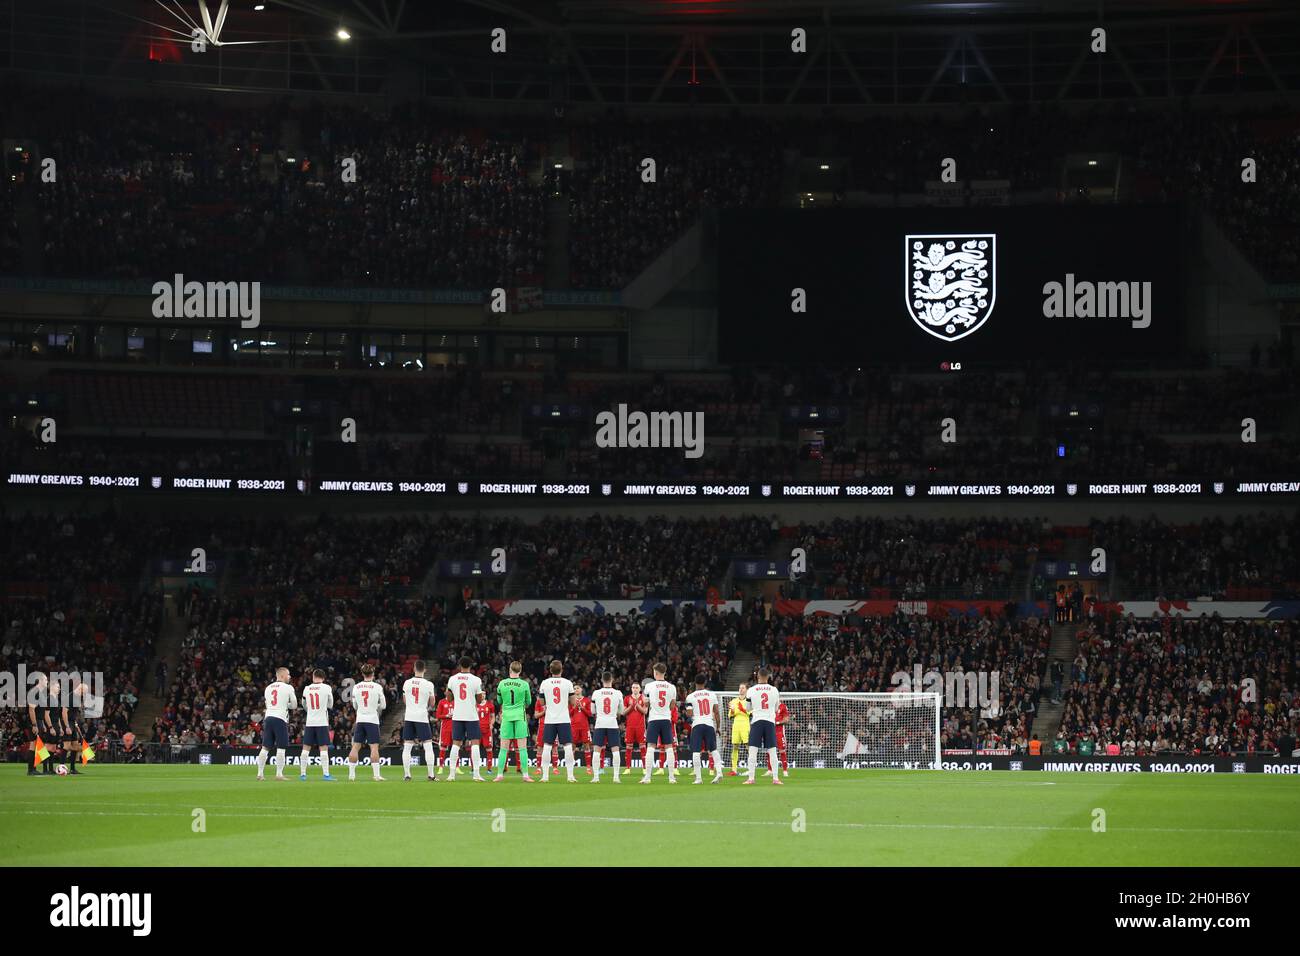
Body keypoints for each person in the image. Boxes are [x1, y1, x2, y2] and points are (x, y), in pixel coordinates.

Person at [445, 657, 486, 782]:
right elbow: (480, 700)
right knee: (474, 743)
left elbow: (449, 698)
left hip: (457, 715)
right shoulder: (476, 680)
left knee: (456, 744)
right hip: (471, 715)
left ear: (459, 665)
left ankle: (451, 775)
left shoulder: (452, 679)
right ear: (471, 666)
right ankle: (476, 775)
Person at [493, 660, 533, 782]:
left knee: (503, 748)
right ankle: (525, 775)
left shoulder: (502, 684)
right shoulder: (524, 684)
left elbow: (499, 701)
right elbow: (529, 702)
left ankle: (499, 775)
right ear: (520, 671)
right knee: (522, 748)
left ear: (510, 669)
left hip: (506, 717)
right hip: (520, 717)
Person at [537, 660, 576, 783]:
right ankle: (570, 776)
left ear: (550, 670)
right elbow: (573, 702)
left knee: (547, 747)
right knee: (568, 747)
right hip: (564, 718)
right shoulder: (568, 683)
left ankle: (545, 777)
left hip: (549, 719)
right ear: (562, 670)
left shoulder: (545, 683)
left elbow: (541, 702)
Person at [347, 663, 386, 782]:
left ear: (362, 674)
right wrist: (376, 705)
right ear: (373, 674)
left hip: (360, 720)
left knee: (356, 746)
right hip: (372, 720)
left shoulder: (357, 687)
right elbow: (383, 706)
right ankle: (376, 775)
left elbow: (355, 705)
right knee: (374, 747)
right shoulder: (377, 687)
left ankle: (352, 775)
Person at [257, 667, 297, 781]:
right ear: (283, 675)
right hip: (280, 718)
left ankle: (260, 773)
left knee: (265, 747)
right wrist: (286, 705)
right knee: (281, 747)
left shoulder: (268, 688)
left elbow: (267, 703)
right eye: (288, 675)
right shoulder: (288, 687)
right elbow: (294, 705)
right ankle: (279, 774)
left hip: (268, 717)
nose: (289, 677)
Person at [640, 664, 678, 784]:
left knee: (651, 746)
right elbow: (672, 706)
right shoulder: (672, 687)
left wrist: (650, 701)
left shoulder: (649, 686)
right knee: (669, 747)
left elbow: (645, 703)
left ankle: (647, 777)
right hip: (666, 719)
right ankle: (671, 778)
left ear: (655, 673)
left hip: (654, 719)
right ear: (665, 673)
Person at [400, 660, 437, 782]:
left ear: (414, 668)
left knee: (407, 746)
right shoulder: (429, 684)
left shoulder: (407, 683)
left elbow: (404, 700)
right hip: (422, 716)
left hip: (409, 716)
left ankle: (407, 775)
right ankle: (431, 775)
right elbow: (432, 703)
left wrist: (411, 705)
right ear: (425, 670)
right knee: (428, 745)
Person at [744, 668, 782, 786]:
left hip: (757, 721)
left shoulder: (751, 690)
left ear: (757, 676)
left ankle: (751, 778)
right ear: (769, 677)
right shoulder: (774, 690)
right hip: (770, 721)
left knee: (753, 750)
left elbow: (748, 708)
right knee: (772, 751)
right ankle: (775, 778)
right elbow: (776, 708)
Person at [684, 675, 724, 785]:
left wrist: (687, 713)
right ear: (705, 682)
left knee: (696, 751)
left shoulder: (690, 696)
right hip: (709, 724)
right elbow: (716, 711)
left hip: (697, 724)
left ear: (695, 683)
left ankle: (698, 778)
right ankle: (719, 772)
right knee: (713, 749)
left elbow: (689, 713)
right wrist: (718, 727)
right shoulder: (712, 694)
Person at [299, 668, 336, 781]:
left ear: (313, 677)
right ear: (323, 678)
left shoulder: (307, 689)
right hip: (322, 722)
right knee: (323, 748)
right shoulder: (326, 688)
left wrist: (310, 710)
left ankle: (303, 774)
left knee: (306, 748)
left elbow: (303, 704)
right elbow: (330, 704)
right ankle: (326, 774)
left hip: (310, 721)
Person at [589, 672, 624, 783]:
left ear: (602, 680)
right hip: (612, 723)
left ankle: (595, 777)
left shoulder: (596, 693)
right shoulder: (618, 693)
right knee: (615, 750)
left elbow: (592, 711)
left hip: (600, 723)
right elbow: (621, 711)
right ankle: (616, 777)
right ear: (612, 680)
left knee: (597, 750)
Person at [624, 681, 647, 772]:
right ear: (631, 689)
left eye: (637, 687)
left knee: (642, 747)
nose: (635, 689)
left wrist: (636, 705)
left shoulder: (644, 698)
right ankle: (628, 768)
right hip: (630, 726)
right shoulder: (627, 698)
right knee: (628, 747)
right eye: (633, 687)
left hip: (641, 726)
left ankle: (645, 768)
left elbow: (645, 711)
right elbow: (624, 712)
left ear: (640, 689)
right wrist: (631, 706)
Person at [728, 681, 750, 776]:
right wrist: (732, 710)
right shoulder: (733, 701)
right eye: (740, 687)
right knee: (735, 746)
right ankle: (734, 769)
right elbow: (730, 715)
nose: (741, 689)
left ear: (747, 690)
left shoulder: (749, 701)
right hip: (736, 725)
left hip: (745, 724)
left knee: (748, 746)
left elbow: (750, 713)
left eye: (743, 688)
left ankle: (750, 769)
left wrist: (741, 709)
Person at [570, 684, 592, 774]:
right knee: (572, 746)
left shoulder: (587, 700)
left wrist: (582, 708)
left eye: (577, 688)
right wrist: (574, 707)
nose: (576, 690)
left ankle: (588, 768)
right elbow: (569, 713)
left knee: (586, 746)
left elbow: (590, 714)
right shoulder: (571, 701)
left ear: (581, 689)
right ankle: (571, 767)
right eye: (574, 689)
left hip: (584, 726)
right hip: (574, 726)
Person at [434, 688, 454, 774]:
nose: (449, 693)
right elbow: (438, 715)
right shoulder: (442, 702)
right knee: (443, 747)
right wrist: (446, 715)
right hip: (445, 728)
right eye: (447, 691)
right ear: (445, 693)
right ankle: (441, 767)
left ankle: (456, 767)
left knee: (455, 747)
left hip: (455, 727)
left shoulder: (456, 702)